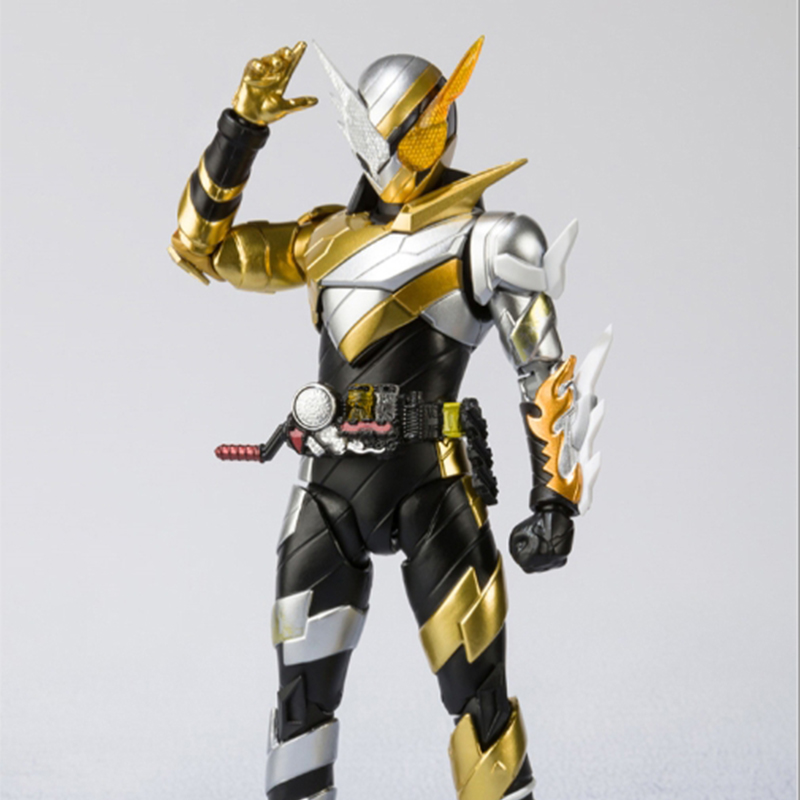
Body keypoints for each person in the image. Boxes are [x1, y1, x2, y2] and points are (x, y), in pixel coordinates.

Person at [168, 38, 610, 800]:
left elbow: (543, 370)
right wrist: (241, 128)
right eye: (413, 128)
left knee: (479, 700)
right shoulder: (324, 238)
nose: (428, 142)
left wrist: (555, 501)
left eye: (438, 124)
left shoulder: (488, 239)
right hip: (327, 487)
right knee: (300, 703)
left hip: (431, 484)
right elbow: (199, 248)